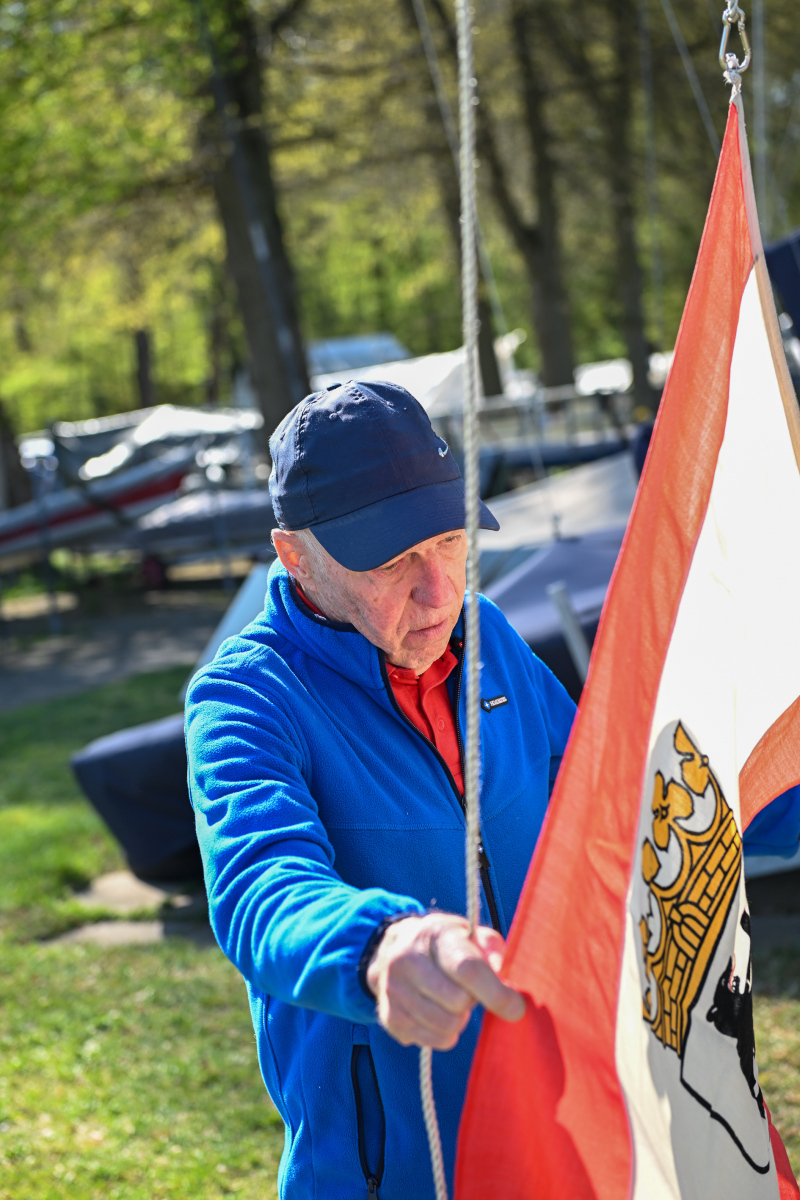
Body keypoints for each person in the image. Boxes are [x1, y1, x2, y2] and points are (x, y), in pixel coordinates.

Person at [185, 380, 576, 1199]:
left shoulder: (490, 635)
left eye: (449, 541)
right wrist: (381, 947)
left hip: (556, 1127)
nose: (439, 591)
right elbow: (260, 888)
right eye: (392, 559)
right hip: (388, 1172)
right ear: (295, 555)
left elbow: (606, 795)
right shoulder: (246, 697)